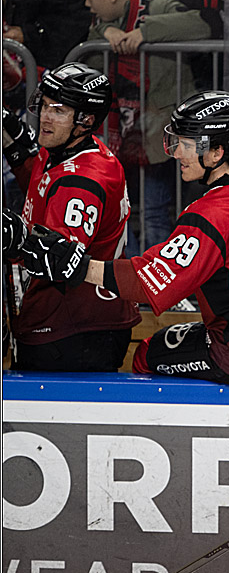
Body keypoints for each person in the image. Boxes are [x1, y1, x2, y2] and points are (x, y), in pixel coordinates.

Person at [15, 90, 229, 392]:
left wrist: (78, 266)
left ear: (216, 152)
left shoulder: (209, 216)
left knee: (147, 355)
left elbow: (148, 283)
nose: (177, 153)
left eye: (188, 144)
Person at [2, 62, 140, 371]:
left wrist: (14, 235)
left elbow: (60, 258)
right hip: (77, 322)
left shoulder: (82, 183)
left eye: (59, 111)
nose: (45, 117)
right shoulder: (71, 152)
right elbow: (39, 178)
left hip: (75, 331)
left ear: (86, 120)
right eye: (45, 105)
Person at [77, 0, 211, 248]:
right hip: (120, 129)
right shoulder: (105, 18)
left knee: (153, 211)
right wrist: (103, 30)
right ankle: (131, 279)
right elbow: (93, 43)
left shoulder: (159, 4)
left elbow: (200, 24)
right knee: (118, 210)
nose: (87, 4)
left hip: (157, 129)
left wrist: (146, 33)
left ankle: (158, 282)